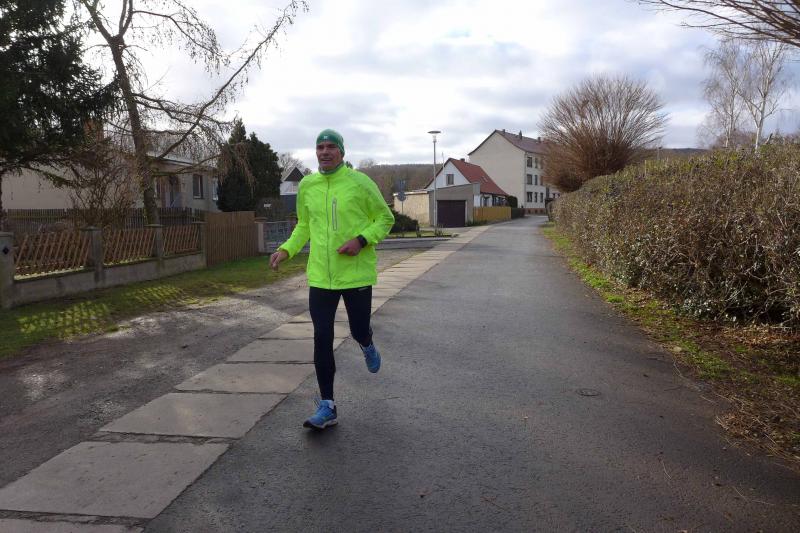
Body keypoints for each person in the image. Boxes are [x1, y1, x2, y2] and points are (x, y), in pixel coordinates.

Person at [269, 129, 395, 429]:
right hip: (320, 277)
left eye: (330, 147)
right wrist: (286, 250)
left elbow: (385, 218)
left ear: (341, 151)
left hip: (355, 274)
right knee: (322, 337)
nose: (324, 152)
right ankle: (327, 405)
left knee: (358, 329)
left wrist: (361, 240)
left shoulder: (359, 182)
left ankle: (367, 343)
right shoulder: (308, 185)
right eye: (320, 147)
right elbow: (304, 226)